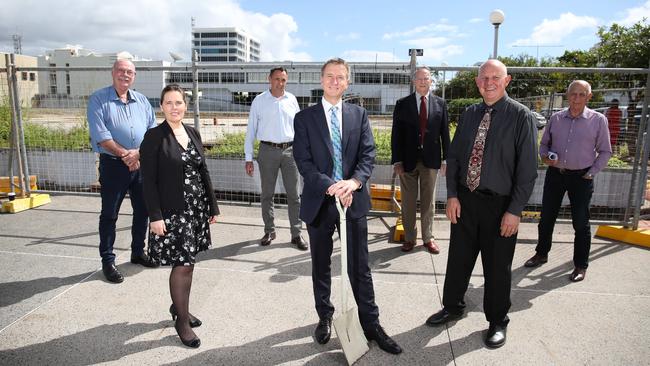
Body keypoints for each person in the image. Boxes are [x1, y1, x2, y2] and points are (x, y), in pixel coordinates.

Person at [293, 58, 402, 355]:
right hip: (321, 201)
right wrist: (333, 186)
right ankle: (325, 316)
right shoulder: (305, 119)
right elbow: (304, 162)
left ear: (347, 82)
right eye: (330, 76)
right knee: (321, 265)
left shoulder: (359, 114)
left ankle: (371, 324)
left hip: (352, 202)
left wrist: (353, 184)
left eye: (341, 77)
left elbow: (368, 155)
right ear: (321, 79)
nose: (335, 81)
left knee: (359, 267)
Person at [426, 59, 538, 349]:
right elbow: (454, 158)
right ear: (477, 82)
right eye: (484, 77)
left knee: (497, 267)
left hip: (500, 206)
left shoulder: (520, 117)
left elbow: (527, 171)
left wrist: (514, 211)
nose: (489, 82)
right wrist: (452, 194)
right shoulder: (469, 114)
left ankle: (498, 321)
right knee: (458, 260)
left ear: (507, 80)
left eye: (495, 77)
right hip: (465, 200)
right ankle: (453, 306)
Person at [140, 84, 219, 348]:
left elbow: (203, 171)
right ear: (161, 107)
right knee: (182, 265)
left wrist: (212, 206)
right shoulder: (154, 137)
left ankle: (180, 309)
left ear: (186, 106)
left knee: (189, 263)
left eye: (179, 102)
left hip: (195, 210)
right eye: (169, 103)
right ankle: (181, 322)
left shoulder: (192, 132)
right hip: (173, 212)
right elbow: (148, 181)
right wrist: (155, 216)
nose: (175, 107)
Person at [524, 80, 611, 282]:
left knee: (580, 223)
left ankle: (580, 265)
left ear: (589, 97)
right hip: (556, 174)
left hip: (582, 178)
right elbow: (544, 144)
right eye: (573, 94)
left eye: (582, 94)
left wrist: (592, 172)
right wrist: (545, 156)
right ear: (567, 95)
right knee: (546, 219)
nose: (577, 98)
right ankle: (541, 253)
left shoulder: (598, 120)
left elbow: (606, 151)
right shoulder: (556, 118)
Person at [87, 59, 158, 284]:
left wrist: (138, 154)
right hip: (113, 166)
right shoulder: (99, 99)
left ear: (134, 76)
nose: (125, 75)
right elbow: (102, 135)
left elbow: (152, 132)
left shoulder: (143, 101)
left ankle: (138, 252)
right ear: (113, 73)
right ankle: (108, 261)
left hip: (141, 164)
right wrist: (126, 155)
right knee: (109, 214)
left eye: (129, 72)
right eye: (121, 71)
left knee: (143, 211)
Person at [244, 67, 307, 250]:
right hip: (267, 151)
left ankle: (296, 234)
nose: (280, 83)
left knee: (294, 195)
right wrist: (248, 158)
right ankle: (269, 230)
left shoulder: (292, 100)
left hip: (290, 151)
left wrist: (303, 152)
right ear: (269, 79)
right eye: (277, 79)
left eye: (283, 80)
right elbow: (251, 131)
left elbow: (299, 128)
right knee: (267, 194)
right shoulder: (259, 101)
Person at [391, 66, 450, 253]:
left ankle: (428, 238)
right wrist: (397, 160)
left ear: (431, 81)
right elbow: (396, 135)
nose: (423, 81)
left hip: (431, 161)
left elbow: (445, 134)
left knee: (428, 202)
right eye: (419, 78)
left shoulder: (440, 104)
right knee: (408, 202)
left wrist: (446, 159)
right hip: (407, 161)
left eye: (426, 78)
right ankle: (409, 238)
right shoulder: (402, 104)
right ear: (414, 81)